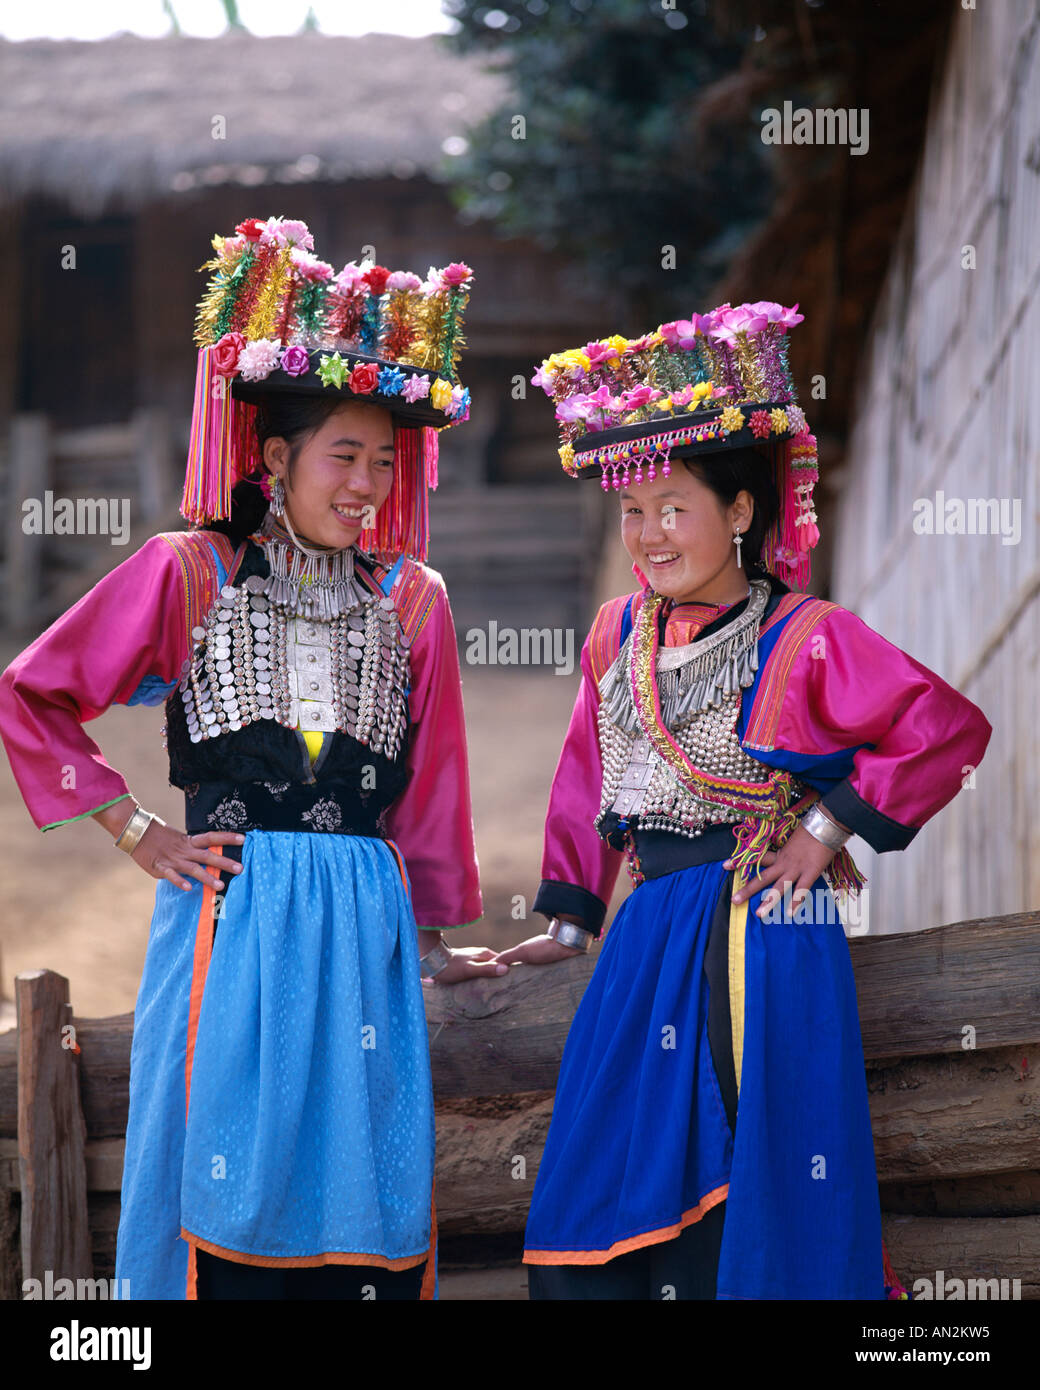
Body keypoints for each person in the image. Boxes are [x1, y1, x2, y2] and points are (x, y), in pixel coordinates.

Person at [0, 216, 504, 1300]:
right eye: (342, 456)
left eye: (385, 460)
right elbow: (31, 692)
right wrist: (138, 831)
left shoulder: (415, 601)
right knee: (216, 1158)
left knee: (365, 1173)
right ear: (274, 457)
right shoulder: (190, 572)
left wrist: (427, 940)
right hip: (231, 910)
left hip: (364, 920)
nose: (366, 483)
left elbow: (431, 790)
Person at [499, 304, 993, 1300]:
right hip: (646, 933)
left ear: (737, 511)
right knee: (601, 1172)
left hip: (760, 926)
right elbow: (586, 775)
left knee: (755, 1175)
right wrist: (568, 922)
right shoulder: (614, 634)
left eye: (671, 508)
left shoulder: (806, 635)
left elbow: (943, 729)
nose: (647, 535)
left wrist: (821, 828)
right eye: (631, 511)